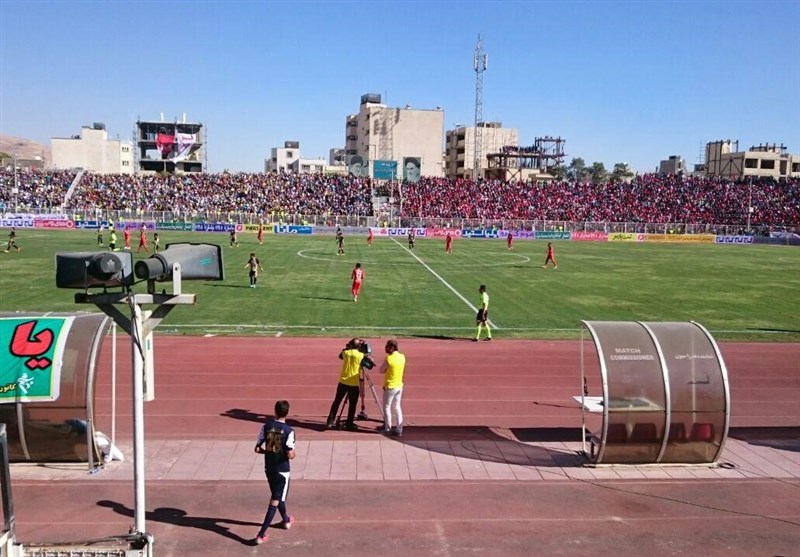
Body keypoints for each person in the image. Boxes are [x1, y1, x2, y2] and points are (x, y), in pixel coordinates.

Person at [253, 400, 296, 545]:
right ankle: (261, 534)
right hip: (282, 470)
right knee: (276, 499)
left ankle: (285, 519)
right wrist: (292, 454)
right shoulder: (289, 431)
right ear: (287, 412)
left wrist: (268, 452)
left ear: (275, 411)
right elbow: (290, 454)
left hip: (269, 468)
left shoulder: (266, 426)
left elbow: (257, 448)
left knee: (278, 496)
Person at [326, 339, 365, 431]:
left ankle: (330, 421)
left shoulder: (346, 353)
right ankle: (349, 423)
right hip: (354, 384)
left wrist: (347, 348)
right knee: (352, 405)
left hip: (343, 382)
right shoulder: (361, 355)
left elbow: (340, 356)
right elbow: (368, 363)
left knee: (337, 402)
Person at [379, 339, 406, 436]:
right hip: (399, 385)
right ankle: (399, 429)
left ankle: (388, 428)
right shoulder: (402, 357)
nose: (385, 348)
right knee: (397, 407)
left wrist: (386, 370)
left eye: (387, 346)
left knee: (387, 407)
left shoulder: (389, 358)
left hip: (390, 386)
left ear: (392, 347)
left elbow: (381, 370)